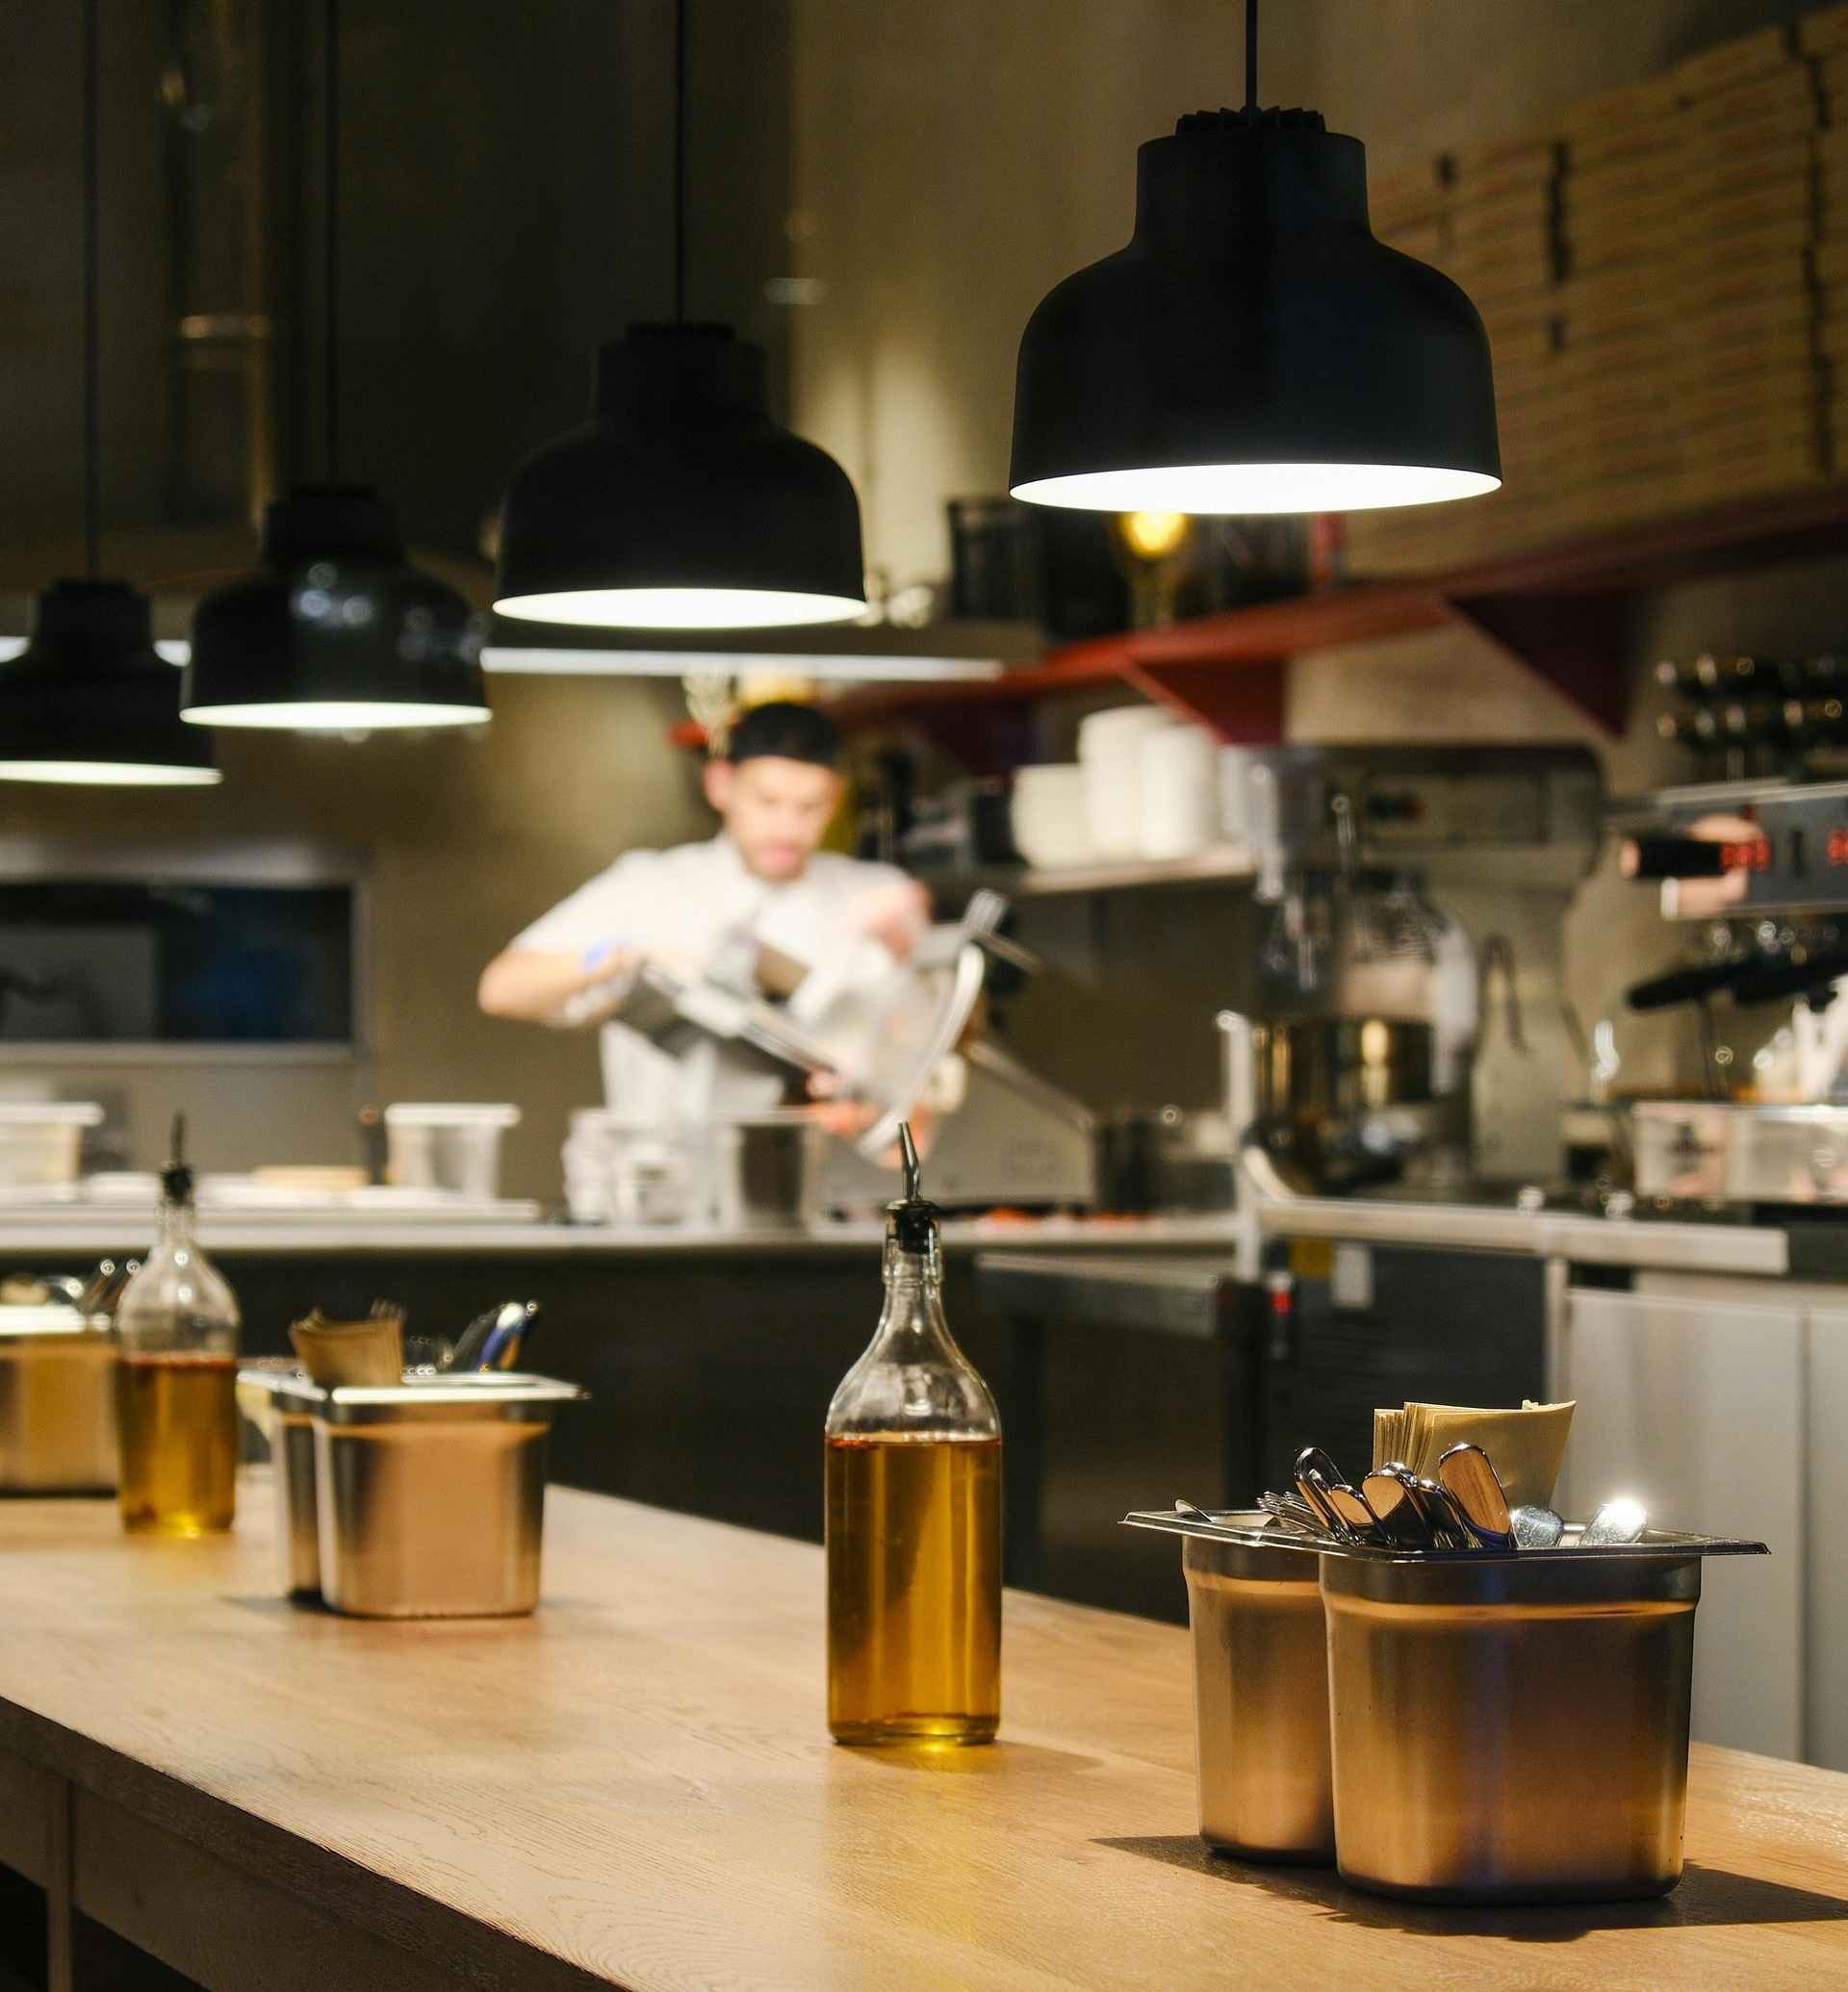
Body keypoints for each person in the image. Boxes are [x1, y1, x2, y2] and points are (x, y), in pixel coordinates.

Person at [478, 702, 929, 1119]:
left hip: (830, 1175)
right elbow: (502, 988)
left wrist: (920, 949)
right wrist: (620, 956)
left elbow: (942, 1043)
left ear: (834, 798)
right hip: (669, 1177)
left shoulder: (876, 893)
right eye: (767, 802)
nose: (787, 829)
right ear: (721, 785)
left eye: (808, 807)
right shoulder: (651, 886)